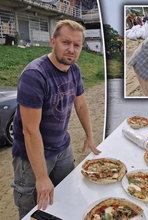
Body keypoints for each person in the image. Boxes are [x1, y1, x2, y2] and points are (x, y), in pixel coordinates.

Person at [10, 20, 101, 218]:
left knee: (66, 195)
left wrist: (89, 136)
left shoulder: (74, 70)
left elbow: (81, 105)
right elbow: (30, 130)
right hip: (32, 155)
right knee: (31, 207)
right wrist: (42, 177)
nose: (71, 49)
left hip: (62, 148)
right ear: (53, 42)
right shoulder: (35, 75)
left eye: (76, 45)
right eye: (65, 42)